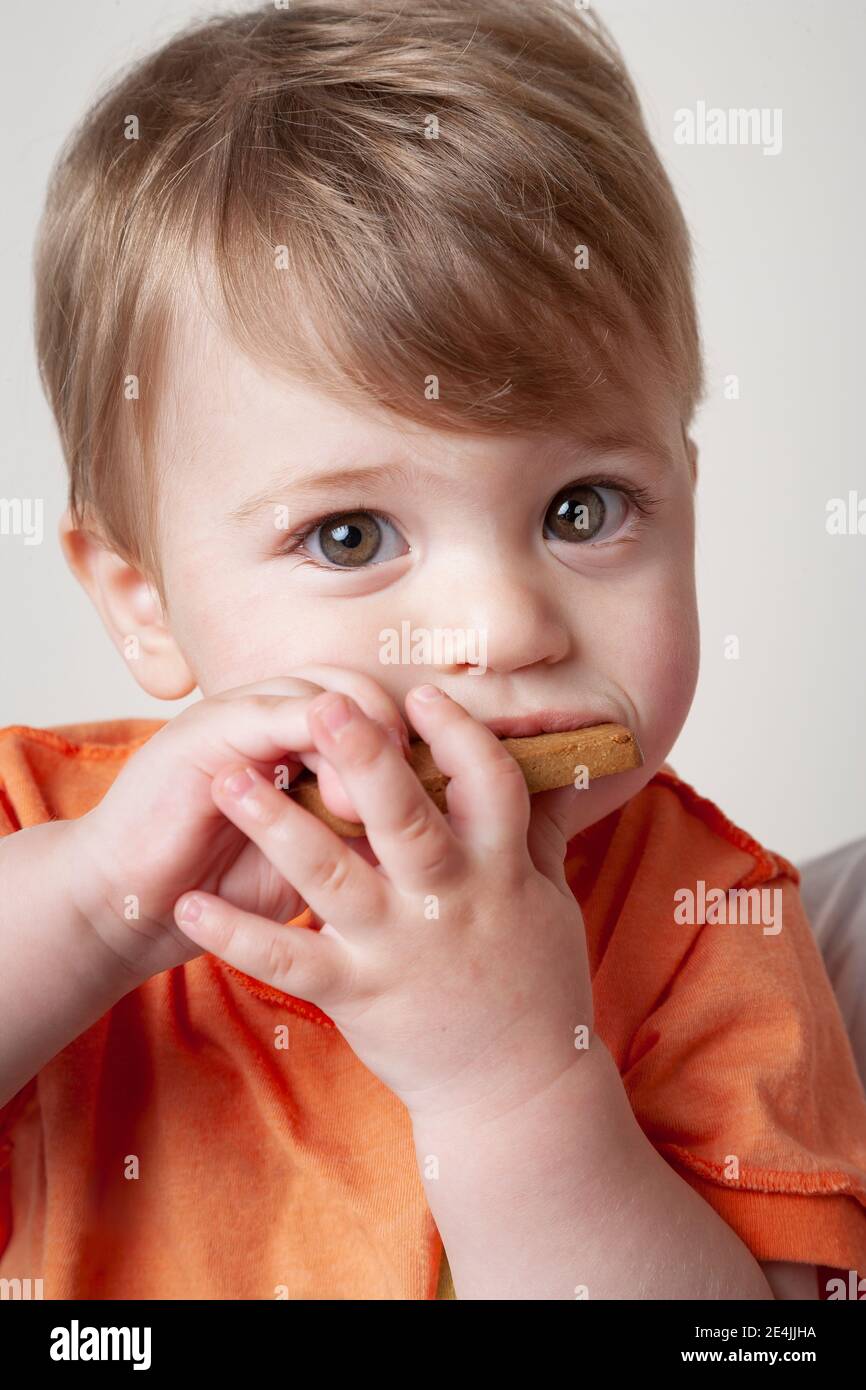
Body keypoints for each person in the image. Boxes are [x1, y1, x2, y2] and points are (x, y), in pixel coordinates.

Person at [1, 0, 864, 1300]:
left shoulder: (708, 921)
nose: (503, 627)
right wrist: (90, 912)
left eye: (581, 509)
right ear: (141, 598)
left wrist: (514, 1080)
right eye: (349, 534)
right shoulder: (43, 829)